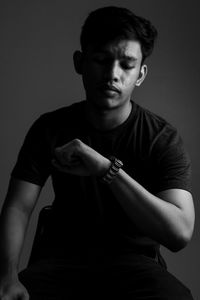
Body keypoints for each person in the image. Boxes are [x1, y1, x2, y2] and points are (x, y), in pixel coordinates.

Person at [0, 5, 195, 300]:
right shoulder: (50, 128)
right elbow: (18, 207)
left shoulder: (161, 138)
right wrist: (6, 277)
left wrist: (106, 169)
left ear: (140, 74)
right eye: (102, 60)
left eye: (126, 65)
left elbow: (179, 233)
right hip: (60, 263)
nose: (112, 74)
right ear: (80, 62)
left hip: (137, 267)